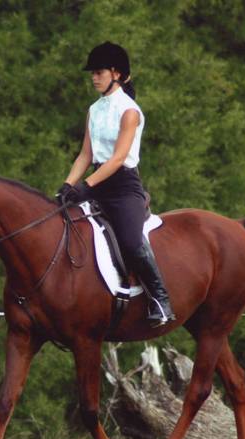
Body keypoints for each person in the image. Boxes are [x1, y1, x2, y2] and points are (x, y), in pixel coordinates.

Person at [57, 41, 175, 327]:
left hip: (123, 188)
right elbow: (86, 154)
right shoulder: (94, 110)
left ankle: (160, 298)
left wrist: (85, 186)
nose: (94, 77)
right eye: (92, 73)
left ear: (117, 74)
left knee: (132, 242)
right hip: (96, 180)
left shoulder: (129, 111)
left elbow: (119, 157)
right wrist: (67, 185)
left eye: (99, 72)